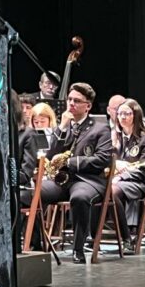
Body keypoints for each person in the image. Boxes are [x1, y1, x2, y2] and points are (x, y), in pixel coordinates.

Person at [40, 82, 113, 263]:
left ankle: (78, 248)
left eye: (77, 101)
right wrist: (62, 127)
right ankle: (36, 245)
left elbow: (102, 159)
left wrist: (71, 162)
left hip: (89, 180)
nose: (71, 104)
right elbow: (51, 155)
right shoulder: (65, 126)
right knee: (35, 192)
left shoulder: (100, 129)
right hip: (63, 180)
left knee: (79, 198)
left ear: (88, 106)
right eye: (70, 99)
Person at [109, 98, 145, 252]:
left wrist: (121, 175)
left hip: (138, 182)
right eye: (120, 113)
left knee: (112, 191)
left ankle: (126, 238)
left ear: (135, 116)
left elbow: (142, 169)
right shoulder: (116, 137)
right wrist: (114, 148)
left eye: (127, 113)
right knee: (100, 189)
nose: (122, 117)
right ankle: (93, 235)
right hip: (117, 181)